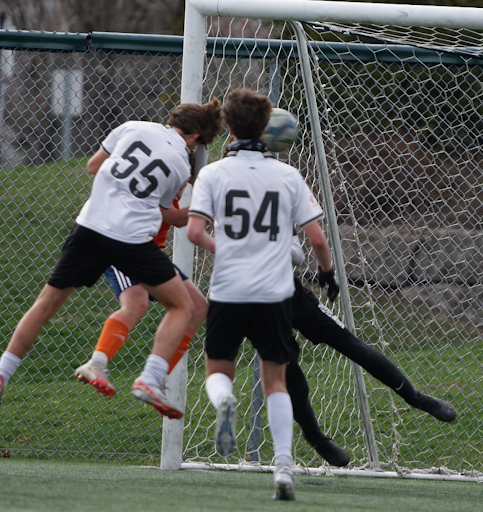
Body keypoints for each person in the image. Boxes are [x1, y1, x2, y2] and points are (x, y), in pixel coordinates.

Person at [0, 99, 223, 420]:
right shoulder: (180, 164)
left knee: (45, 305)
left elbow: (93, 166)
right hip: (131, 240)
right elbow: (169, 214)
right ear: (195, 138)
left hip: (89, 227)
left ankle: (4, 372)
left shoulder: (131, 127)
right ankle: (150, 378)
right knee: (183, 306)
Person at [186, 88, 336, 501]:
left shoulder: (214, 174)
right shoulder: (287, 176)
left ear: (229, 127)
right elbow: (318, 238)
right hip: (273, 294)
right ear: (267, 127)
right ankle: (284, 469)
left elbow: (195, 232)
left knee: (217, 371)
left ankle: (225, 403)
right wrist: (327, 274)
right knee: (276, 382)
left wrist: (231, 248)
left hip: (229, 289)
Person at [287, 236, 456, 462]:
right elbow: (310, 243)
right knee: (287, 372)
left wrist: (325, 269)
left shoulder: (283, 201)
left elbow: (310, 242)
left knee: (349, 343)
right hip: (252, 300)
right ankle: (316, 438)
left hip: (289, 293)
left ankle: (416, 398)